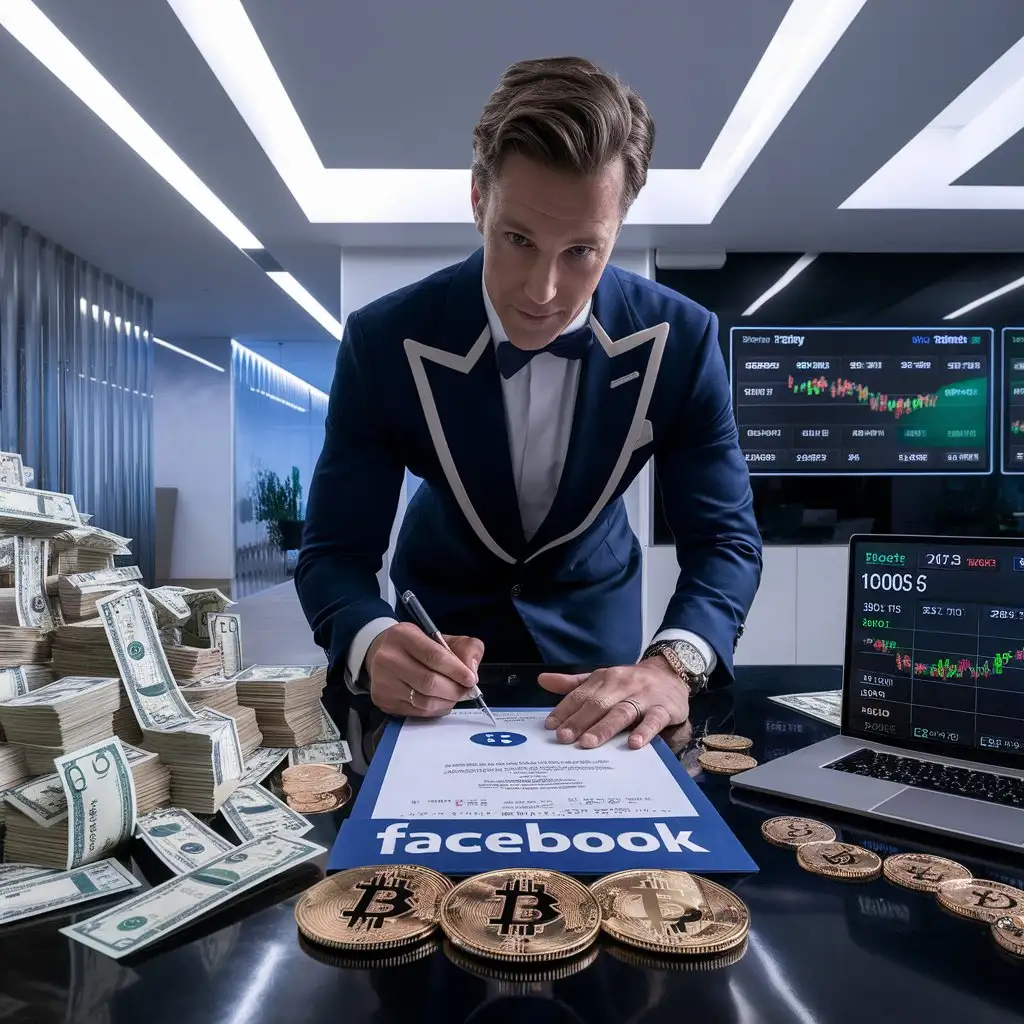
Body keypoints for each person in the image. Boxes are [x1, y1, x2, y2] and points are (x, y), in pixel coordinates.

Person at [296, 56, 762, 752]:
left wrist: (673, 665)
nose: (542, 291)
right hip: (437, 643)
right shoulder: (382, 339)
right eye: (518, 240)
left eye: (582, 251)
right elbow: (333, 551)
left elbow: (725, 541)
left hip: (599, 648)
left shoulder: (683, 340)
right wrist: (370, 637)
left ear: (620, 224)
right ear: (479, 199)